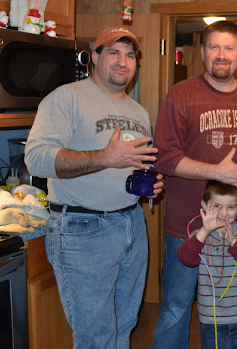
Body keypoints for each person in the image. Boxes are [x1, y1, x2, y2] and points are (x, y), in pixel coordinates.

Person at [24, 27, 165, 348]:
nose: (123, 61)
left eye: (130, 55)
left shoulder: (138, 112)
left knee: (125, 324)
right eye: (114, 52)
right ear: (96, 57)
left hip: (131, 223)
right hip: (82, 229)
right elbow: (37, 159)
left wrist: (149, 182)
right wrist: (105, 157)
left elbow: (134, 163)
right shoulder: (66, 98)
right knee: (95, 337)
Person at [153, 20, 237, 348]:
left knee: (228, 308)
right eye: (214, 47)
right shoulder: (180, 95)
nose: (221, 54)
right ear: (203, 52)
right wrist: (217, 171)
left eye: (229, 48)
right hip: (186, 227)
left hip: (232, 227)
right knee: (176, 308)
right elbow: (165, 159)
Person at [177, 180, 237, 349]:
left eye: (231, 207)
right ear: (204, 206)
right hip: (212, 319)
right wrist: (204, 231)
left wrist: (234, 242)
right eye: (216, 206)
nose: (224, 213)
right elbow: (186, 258)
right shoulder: (199, 236)